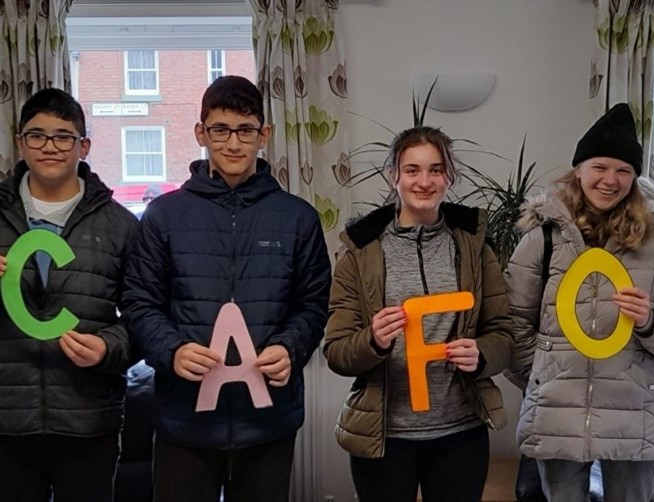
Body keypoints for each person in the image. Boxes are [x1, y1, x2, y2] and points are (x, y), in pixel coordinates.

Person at [122, 75, 331, 502]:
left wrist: (291, 348)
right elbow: (139, 303)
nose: (233, 143)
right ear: (201, 132)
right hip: (184, 421)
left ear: (264, 134)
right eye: (220, 129)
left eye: (245, 130)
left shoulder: (298, 218)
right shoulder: (163, 215)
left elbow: (313, 305)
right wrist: (172, 349)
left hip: (268, 420)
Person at [504, 103, 654, 502]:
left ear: (635, 178)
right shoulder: (540, 240)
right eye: (600, 167)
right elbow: (513, 326)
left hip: (637, 411)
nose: (610, 180)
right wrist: (545, 373)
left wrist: (651, 321)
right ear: (579, 169)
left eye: (623, 170)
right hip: (557, 411)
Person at [323, 126, 514, 502]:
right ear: (394, 176)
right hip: (385, 436)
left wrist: (482, 355)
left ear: (450, 176)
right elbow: (337, 351)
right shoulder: (359, 254)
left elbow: (504, 335)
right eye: (412, 170)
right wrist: (373, 340)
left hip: (460, 433)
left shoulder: (476, 248)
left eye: (436, 170)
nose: (424, 181)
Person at [0, 88, 138, 501]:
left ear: (84, 145)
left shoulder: (121, 226)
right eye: (37, 135)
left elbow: (144, 317)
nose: (50, 147)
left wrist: (107, 348)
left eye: (63, 136)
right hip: (6, 421)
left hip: (88, 418)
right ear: (20, 142)